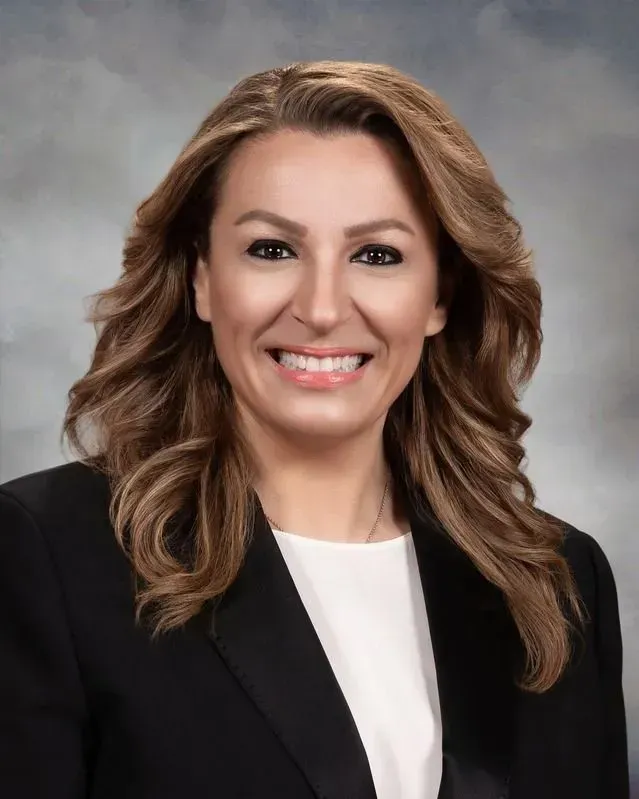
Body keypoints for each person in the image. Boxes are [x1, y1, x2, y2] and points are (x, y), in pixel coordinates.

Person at [0, 59, 628, 799]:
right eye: (272, 249)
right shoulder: (43, 555)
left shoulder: (553, 581)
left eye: (376, 254)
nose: (322, 307)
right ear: (202, 277)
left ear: (438, 297)